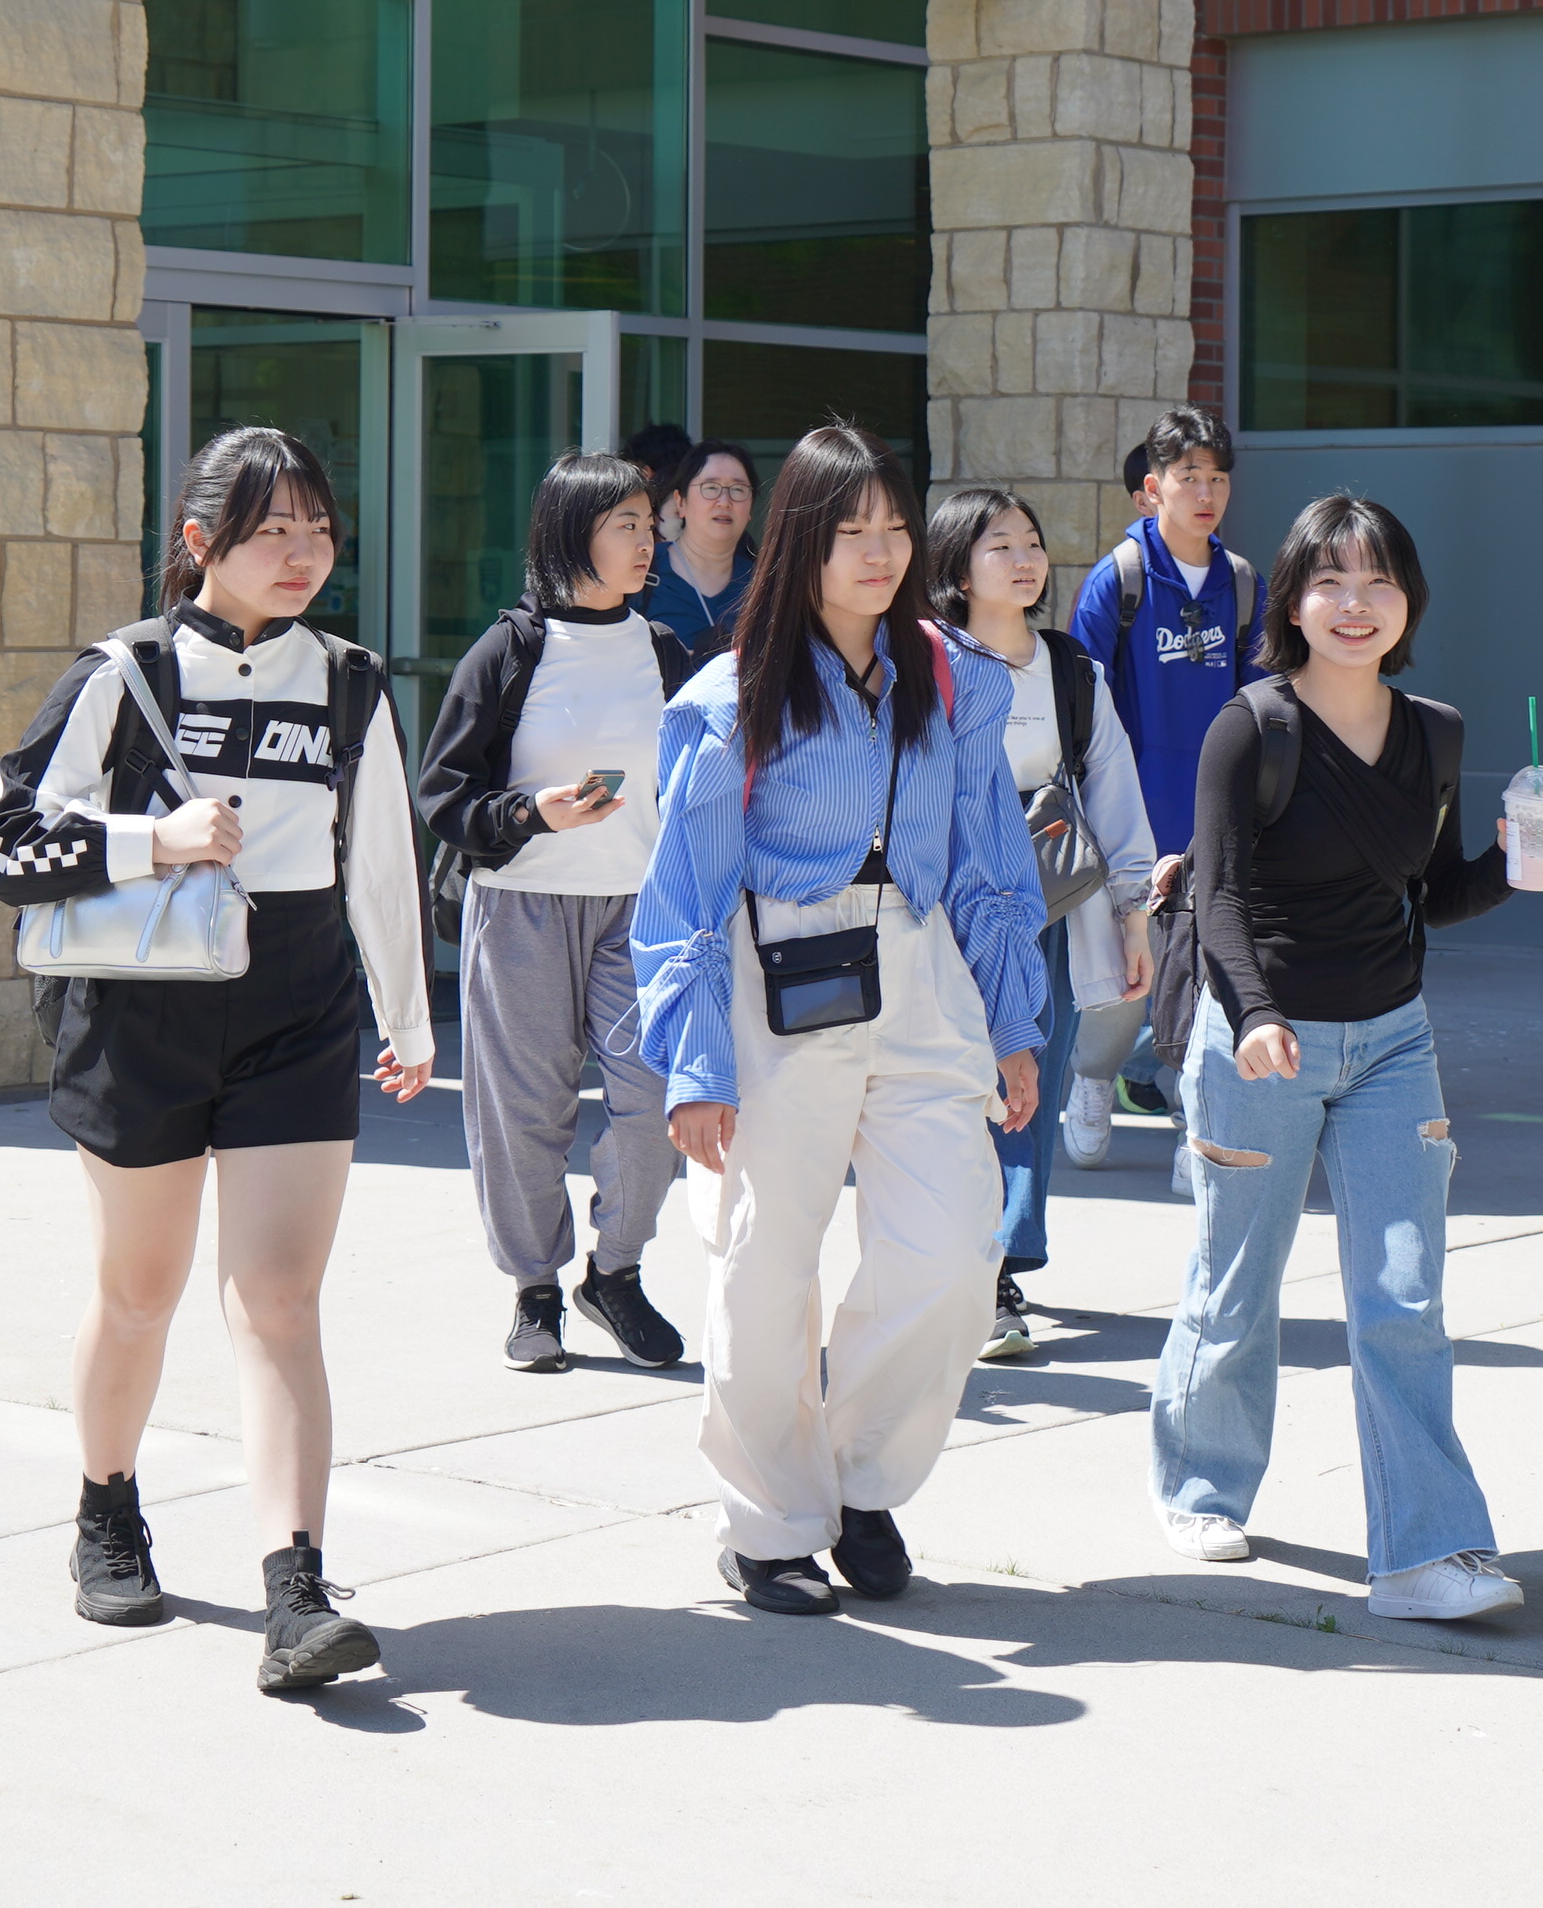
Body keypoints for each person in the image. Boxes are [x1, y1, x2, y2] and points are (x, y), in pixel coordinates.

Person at [0, 427, 434, 1697]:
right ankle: (106, 1505)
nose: (301, 555)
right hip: (145, 1001)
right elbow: (3, 843)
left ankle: (298, 1586)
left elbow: (380, 848)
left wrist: (407, 1009)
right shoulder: (125, 672)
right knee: (140, 1287)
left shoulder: (349, 678)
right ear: (201, 543)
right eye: (271, 531)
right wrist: (151, 838)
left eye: (318, 531)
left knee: (279, 1295)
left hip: (297, 994)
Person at [634, 423, 1051, 1616]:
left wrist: (1014, 1021)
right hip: (780, 976)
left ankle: (863, 1483)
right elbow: (685, 895)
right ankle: (768, 1524)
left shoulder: (957, 677)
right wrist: (696, 1061)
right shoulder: (734, 691)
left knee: (953, 1255)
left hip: (921, 974)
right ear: (802, 542)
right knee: (766, 1263)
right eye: (851, 529)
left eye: (894, 527)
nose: (879, 551)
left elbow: (990, 861)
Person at [1147, 492, 1543, 1624]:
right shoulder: (1252, 724)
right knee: (1237, 1281)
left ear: (1407, 602)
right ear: (1291, 598)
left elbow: (1431, 894)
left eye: (1377, 580)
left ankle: (1423, 1554)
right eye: (1330, 580)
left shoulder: (1434, 731)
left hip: (1394, 1037)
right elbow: (1220, 893)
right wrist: (1248, 1014)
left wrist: (1514, 861)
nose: (1354, 602)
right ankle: (1199, 1485)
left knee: (1405, 1296)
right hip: (1263, 1038)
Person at [416, 450, 696, 1377]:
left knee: (654, 1101)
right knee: (524, 1115)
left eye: (650, 525)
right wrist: (532, 813)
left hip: (641, 911)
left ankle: (614, 1272)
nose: (647, 542)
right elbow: (441, 793)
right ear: (573, 533)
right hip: (525, 907)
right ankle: (535, 1292)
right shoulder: (513, 650)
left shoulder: (662, 651)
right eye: (628, 526)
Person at [922, 485, 1157, 1359]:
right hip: (940, 905)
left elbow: (1114, 795)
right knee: (952, 1082)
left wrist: (1134, 916)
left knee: (1032, 1079)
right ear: (956, 562)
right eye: (1000, 546)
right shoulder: (925, 662)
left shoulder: (1070, 669)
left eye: (1031, 544)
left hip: (1049, 903)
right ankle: (956, 1256)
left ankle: (1000, 1270)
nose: (1025, 560)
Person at [1066, 405, 1267, 1151]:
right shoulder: (1116, 580)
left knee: (1211, 978)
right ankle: (1092, 1082)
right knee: (1125, 979)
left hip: (1213, 817)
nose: (1206, 493)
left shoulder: (1244, 585)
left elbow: (1259, 703)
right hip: (1130, 815)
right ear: (1153, 488)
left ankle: (1195, 1123)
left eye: (1218, 478)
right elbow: (1082, 702)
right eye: (1190, 478)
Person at [637, 435, 758, 653]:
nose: (724, 502)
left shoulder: (764, 587)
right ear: (680, 502)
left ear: (750, 509)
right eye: (710, 488)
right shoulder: (642, 572)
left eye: (738, 490)